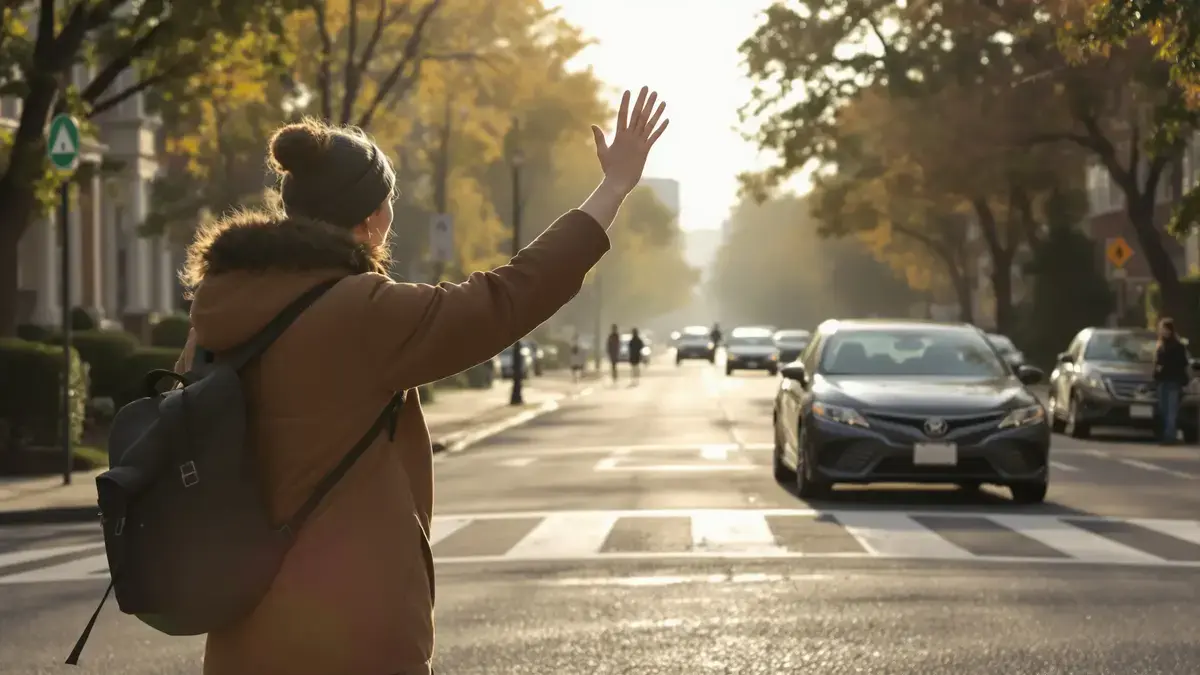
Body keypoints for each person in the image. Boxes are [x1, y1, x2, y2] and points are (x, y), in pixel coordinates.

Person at [174, 87, 669, 675]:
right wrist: (611, 190)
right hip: (352, 631)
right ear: (372, 217)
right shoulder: (361, 310)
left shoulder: (216, 313)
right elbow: (508, 297)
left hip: (240, 632)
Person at [1154, 317, 1191, 444]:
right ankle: (1167, 434)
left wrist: (1183, 379)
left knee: (1171, 411)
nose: (1164, 332)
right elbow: (1158, 364)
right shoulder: (1161, 346)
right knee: (1164, 410)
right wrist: (1156, 373)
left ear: (1171, 330)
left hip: (1174, 382)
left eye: (1165, 329)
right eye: (1162, 329)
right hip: (1162, 381)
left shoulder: (1178, 347)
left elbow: (1184, 364)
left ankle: (1169, 437)